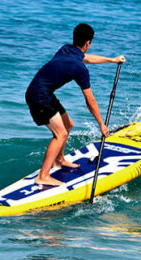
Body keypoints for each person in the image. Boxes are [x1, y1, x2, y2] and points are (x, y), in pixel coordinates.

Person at [25, 23, 126, 186]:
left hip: (42, 92)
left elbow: (87, 58)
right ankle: (43, 176)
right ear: (88, 43)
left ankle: (59, 160)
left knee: (68, 124)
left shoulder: (66, 49)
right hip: (39, 97)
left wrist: (112, 60)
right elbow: (90, 101)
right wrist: (102, 124)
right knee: (61, 134)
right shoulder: (80, 69)